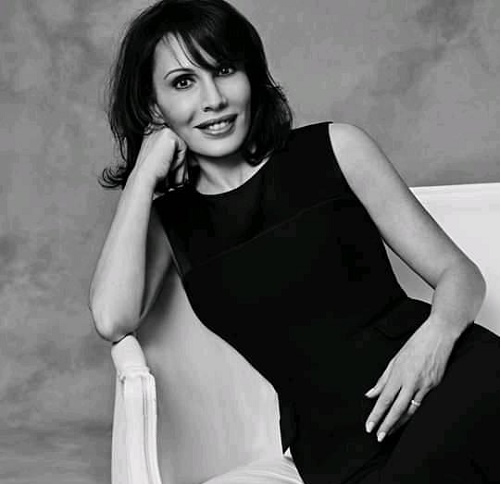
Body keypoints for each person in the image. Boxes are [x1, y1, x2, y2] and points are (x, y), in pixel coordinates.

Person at [89, 0, 499, 482]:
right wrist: (143, 173)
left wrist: (429, 347)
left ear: (250, 75)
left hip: (452, 382)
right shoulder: (169, 223)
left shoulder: (336, 149)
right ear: (153, 105)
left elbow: (460, 276)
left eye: (224, 70)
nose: (213, 99)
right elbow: (111, 318)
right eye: (183, 82)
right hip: (334, 449)